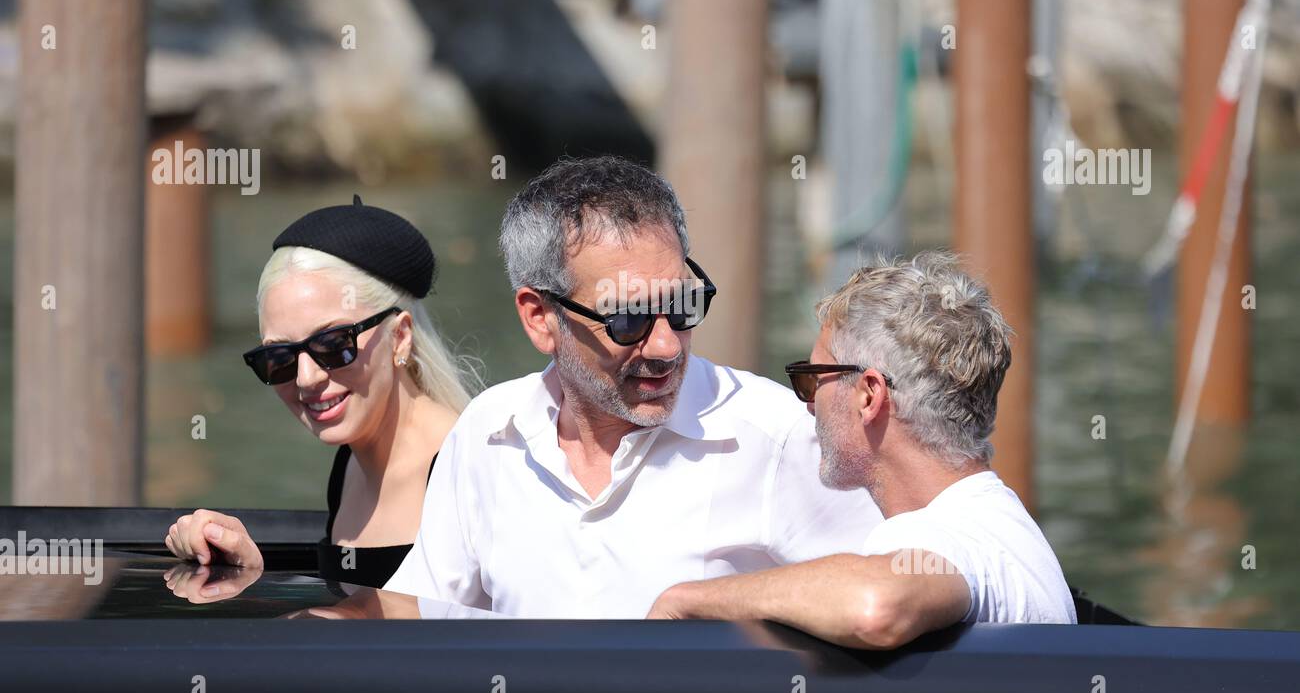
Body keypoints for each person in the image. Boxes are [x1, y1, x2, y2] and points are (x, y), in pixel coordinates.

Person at [384, 156, 882, 615]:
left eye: (683, 304)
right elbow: (424, 616)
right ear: (540, 319)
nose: (666, 345)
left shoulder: (777, 437)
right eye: (628, 318)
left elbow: (892, 588)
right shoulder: (488, 433)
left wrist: (707, 602)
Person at [647, 251, 1077, 645]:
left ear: (869, 395)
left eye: (812, 378)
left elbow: (875, 606)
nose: (808, 402)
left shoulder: (944, 534)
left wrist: (688, 599)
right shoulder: (994, 525)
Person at [163, 196, 479, 593]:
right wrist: (246, 571)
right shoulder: (349, 466)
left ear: (400, 337)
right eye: (278, 358)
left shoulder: (470, 470)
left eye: (334, 343)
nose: (307, 378)